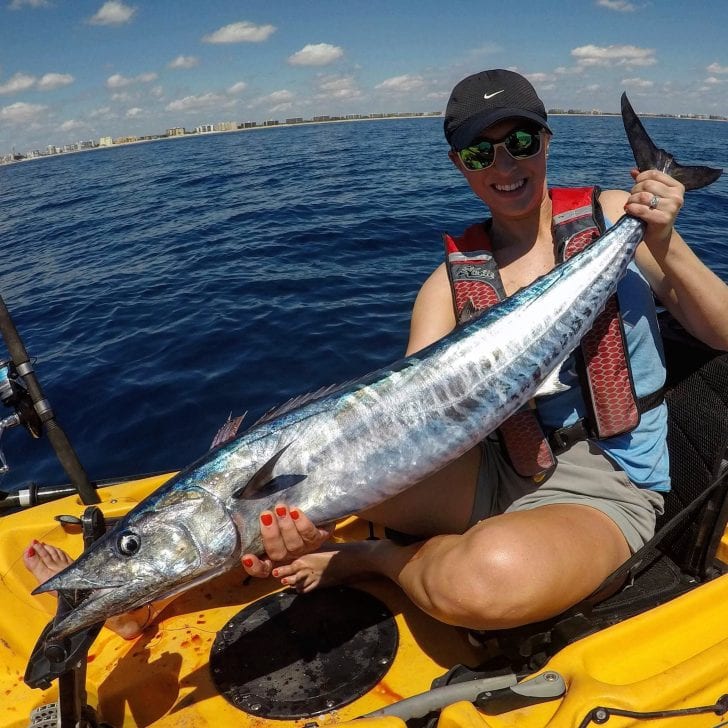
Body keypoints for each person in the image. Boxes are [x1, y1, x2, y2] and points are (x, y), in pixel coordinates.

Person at [240, 69, 728, 631]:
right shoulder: (445, 287)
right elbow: (405, 417)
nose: (505, 166)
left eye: (521, 142)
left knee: (481, 584)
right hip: (499, 466)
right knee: (299, 498)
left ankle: (379, 560)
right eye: (480, 153)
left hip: (611, 476)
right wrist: (314, 510)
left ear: (546, 140)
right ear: (458, 164)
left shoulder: (617, 215)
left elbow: (721, 333)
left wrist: (664, 244)